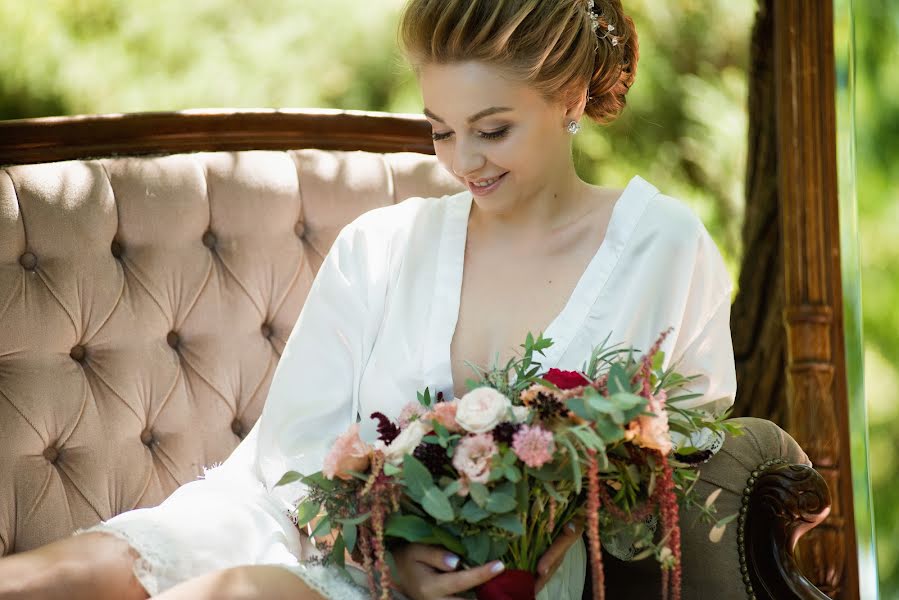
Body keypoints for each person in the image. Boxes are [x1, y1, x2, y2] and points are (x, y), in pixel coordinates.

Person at [0, 0, 737, 598]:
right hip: (335, 546)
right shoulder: (381, 246)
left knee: (247, 594)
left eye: (492, 130)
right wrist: (390, 548)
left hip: (510, 583)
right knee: (70, 575)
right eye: (440, 130)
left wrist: (550, 523)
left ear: (571, 97)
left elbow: (684, 459)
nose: (461, 162)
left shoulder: (661, 247)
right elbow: (290, 466)